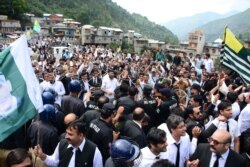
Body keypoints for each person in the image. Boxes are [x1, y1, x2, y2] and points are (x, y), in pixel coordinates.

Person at [34, 120, 103, 167]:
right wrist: (42, 155)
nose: (66, 136)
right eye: (66, 133)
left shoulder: (94, 151)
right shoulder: (62, 144)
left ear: (81, 135)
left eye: (70, 134)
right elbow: (55, 162)